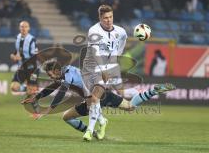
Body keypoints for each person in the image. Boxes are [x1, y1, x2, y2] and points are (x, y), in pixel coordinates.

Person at [21, 60, 176, 140]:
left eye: (49, 74)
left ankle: (94, 130)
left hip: (97, 97)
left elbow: (60, 92)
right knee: (129, 106)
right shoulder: (65, 72)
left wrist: (47, 110)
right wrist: (37, 97)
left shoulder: (67, 75)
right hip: (99, 95)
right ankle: (153, 91)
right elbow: (53, 86)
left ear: (55, 70)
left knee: (68, 116)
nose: (49, 77)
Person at [81, 4, 128, 141]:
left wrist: (115, 60)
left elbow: (122, 42)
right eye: (105, 18)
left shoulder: (121, 31)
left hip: (106, 67)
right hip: (90, 67)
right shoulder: (94, 31)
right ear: (100, 18)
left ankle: (89, 131)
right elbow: (95, 54)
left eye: (111, 17)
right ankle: (102, 121)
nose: (109, 20)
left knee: (96, 97)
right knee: (90, 102)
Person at [10, 21, 38, 96]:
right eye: (22, 26)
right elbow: (17, 50)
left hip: (32, 69)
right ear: (19, 28)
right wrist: (13, 55)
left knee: (31, 94)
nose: (24, 28)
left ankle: (31, 89)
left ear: (28, 28)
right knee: (14, 87)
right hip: (21, 68)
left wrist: (21, 58)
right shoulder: (18, 37)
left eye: (25, 27)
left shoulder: (32, 39)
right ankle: (26, 87)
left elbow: (34, 56)